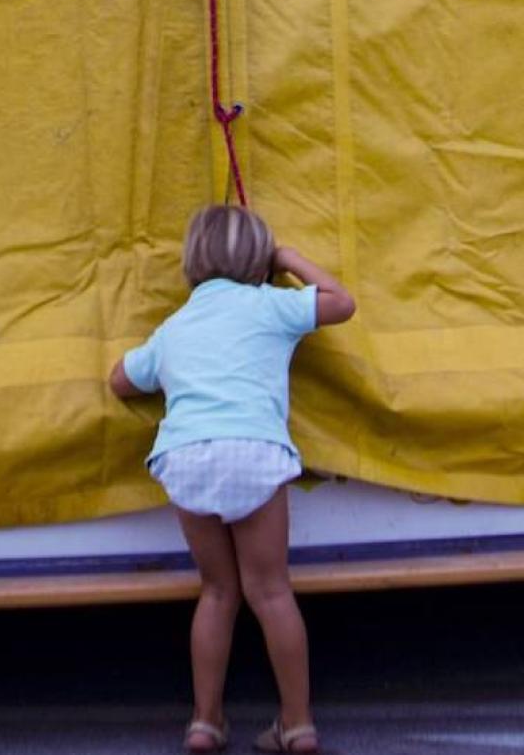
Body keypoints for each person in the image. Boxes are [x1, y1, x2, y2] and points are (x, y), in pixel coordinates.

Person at [109, 204, 355, 754]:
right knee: (270, 591)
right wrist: (287, 258)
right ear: (260, 258)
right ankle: (296, 724)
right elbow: (343, 303)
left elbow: (120, 381)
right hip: (253, 451)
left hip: (187, 454)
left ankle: (205, 722)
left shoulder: (175, 326)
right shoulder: (271, 306)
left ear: (192, 259)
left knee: (218, 592)